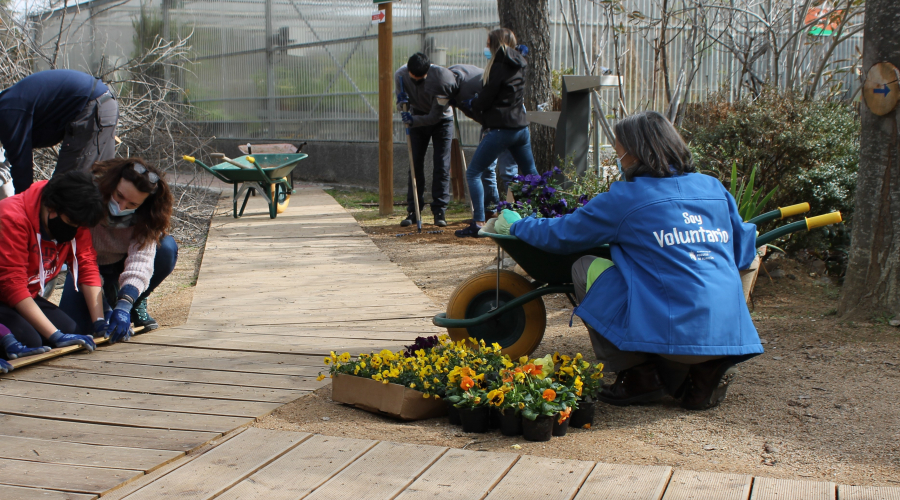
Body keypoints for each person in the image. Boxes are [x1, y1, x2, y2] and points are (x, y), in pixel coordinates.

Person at [503, 111, 763, 411]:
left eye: (618, 152)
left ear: (636, 153)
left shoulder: (626, 198)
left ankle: (640, 375)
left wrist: (516, 225)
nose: (617, 159)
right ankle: (703, 373)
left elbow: (562, 234)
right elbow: (744, 252)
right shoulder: (714, 188)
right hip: (728, 336)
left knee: (584, 267)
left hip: (675, 336)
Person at [59, 158, 175, 339]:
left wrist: (125, 303)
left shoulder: (148, 216)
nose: (121, 207)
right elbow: (81, 259)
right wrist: (103, 310)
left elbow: (141, 262)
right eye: (119, 196)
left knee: (166, 248)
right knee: (73, 329)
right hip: (85, 267)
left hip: (122, 262)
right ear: (112, 185)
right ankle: (110, 298)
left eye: (132, 205)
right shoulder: (89, 197)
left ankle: (134, 301)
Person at [0, 170, 106, 355]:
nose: (75, 229)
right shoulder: (11, 216)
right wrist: (55, 335)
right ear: (51, 207)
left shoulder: (74, 215)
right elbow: (12, 284)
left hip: (27, 294)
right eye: (71, 222)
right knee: (30, 340)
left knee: (71, 330)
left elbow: (86, 264)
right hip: (5, 294)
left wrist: (100, 322)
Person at [456, 28, 539, 237]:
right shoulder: (520, 62)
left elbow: (487, 97)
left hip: (501, 128)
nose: (486, 47)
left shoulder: (498, 66)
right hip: (521, 127)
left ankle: (478, 222)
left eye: (488, 43)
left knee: (473, 172)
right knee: (531, 174)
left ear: (495, 44)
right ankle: (541, 214)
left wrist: (472, 103)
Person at [0, 69, 118, 200]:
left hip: (93, 106)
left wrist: (23, 204)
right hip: (100, 103)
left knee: (63, 191)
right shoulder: (8, 104)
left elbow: (22, 167)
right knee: (97, 186)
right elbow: (17, 154)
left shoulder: (8, 113)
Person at [449, 63, 521, 219]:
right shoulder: (454, 77)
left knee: (507, 171)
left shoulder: (467, 87)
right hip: (492, 123)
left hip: (508, 121)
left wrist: (463, 104)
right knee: (487, 168)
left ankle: (515, 212)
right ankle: (490, 209)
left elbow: (479, 110)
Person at [394, 53, 457, 228]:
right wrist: (402, 103)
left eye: (421, 79)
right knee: (414, 163)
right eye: (414, 78)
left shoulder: (441, 77)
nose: (417, 81)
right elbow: (401, 106)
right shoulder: (400, 75)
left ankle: (439, 211)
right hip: (416, 117)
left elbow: (435, 116)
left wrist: (413, 120)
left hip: (442, 120)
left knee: (441, 164)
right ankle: (414, 210)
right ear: (408, 70)